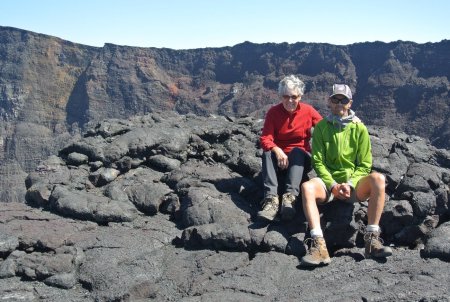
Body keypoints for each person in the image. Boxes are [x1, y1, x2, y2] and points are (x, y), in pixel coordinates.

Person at [300, 84, 393, 266]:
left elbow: (365, 164)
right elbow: (318, 162)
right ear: (329, 102)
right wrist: (333, 185)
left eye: (343, 100)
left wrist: (350, 184)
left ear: (350, 103)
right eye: (335, 99)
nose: (339, 103)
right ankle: (319, 246)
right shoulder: (321, 128)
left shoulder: (359, 129)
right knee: (306, 187)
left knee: (378, 179)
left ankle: (372, 240)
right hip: (329, 185)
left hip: (353, 186)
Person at [258, 75, 322, 222]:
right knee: (267, 153)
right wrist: (277, 149)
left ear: (300, 96)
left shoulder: (308, 111)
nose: (290, 100)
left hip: (300, 160)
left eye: (294, 96)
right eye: (285, 96)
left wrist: (349, 122)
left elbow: (324, 128)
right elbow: (265, 138)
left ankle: (289, 198)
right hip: (280, 161)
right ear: (280, 96)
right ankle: (271, 201)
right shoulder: (273, 112)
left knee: (297, 151)